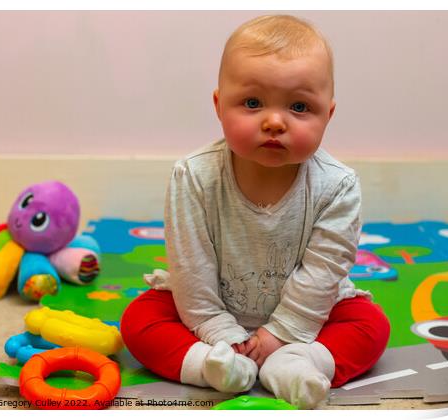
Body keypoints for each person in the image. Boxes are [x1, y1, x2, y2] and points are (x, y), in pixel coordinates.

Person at [120, 14, 390, 409]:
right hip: (209, 310)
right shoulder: (193, 176)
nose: (275, 121)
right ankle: (213, 367)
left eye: (299, 106)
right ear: (219, 105)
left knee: (371, 326)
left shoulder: (338, 185)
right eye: (252, 103)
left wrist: (283, 334)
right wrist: (219, 332)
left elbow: (324, 270)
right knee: (138, 321)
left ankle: (295, 363)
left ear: (327, 116)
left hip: (306, 317)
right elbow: (190, 267)